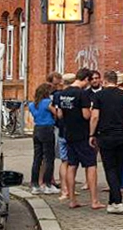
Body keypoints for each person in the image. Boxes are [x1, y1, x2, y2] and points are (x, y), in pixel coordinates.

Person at [90, 70, 123, 214]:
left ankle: (117, 201)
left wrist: (91, 134)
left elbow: (95, 117)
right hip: (122, 135)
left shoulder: (99, 96)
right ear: (116, 81)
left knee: (109, 168)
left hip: (105, 135)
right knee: (118, 167)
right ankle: (112, 202)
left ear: (105, 81)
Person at [56, 68, 103, 210]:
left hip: (68, 133)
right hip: (83, 134)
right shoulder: (82, 94)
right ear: (87, 80)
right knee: (91, 166)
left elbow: (59, 115)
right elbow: (86, 116)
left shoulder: (63, 94)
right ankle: (94, 201)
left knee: (72, 165)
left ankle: (72, 200)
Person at [28, 82, 59, 195]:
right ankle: (47, 185)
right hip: (47, 129)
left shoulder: (32, 104)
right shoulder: (47, 102)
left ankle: (35, 185)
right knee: (49, 158)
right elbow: (56, 113)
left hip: (37, 129)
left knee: (37, 158)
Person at [50, 72, 76, 200]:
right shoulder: (77, 94)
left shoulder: (58, 95)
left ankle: (64, 190)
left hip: (61, 130)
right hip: (74, 132)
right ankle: (70, 189)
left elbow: (58, 114)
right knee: (72, 162)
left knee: (64, 161)